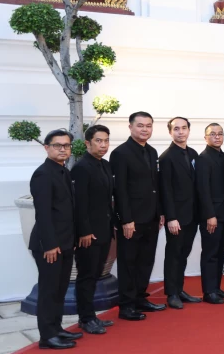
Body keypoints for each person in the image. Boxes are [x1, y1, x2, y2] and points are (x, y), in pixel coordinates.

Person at [110, 111, 165, 321]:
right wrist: (126, 219)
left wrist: (160, 212)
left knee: (146, 261)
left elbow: (155, 185)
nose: (145, 129)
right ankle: (126, 306)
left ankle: (140, 298)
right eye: (140, 125)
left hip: (151, 217)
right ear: (130, 127)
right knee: (128, 263)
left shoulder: (152, 151)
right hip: (131, 220)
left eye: (148, 126)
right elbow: (120, 190)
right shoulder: (120, 153)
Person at [30, 130, 81, 349]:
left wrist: (72, 239)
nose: (63, 149)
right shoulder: (43, 174)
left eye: (66, 146)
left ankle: (56, 328)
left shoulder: (63, 171)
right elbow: (43, 213)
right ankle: (47, 336)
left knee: (60, 289)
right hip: (49, 245)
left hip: (65, 242)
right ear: (46, 147)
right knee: (49, 290)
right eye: (57, 145)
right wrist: (50, 245)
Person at [71, 125, 116, 335]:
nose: (103, 145)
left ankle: (91, 315)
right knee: (86, 276)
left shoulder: (105, 165)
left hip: (104, 230)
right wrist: (84, 232)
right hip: (88, 234)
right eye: (99, 141)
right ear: (88, 143)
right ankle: (86, 318)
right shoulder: (81, 168)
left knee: (96, 274)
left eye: (106, 140)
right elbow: (79, 204)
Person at [158, 117, 202, 310]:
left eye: (184, 128)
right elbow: (165, 190)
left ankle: (180, 289)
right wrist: (171, 217)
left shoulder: (193, 153)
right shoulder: (166, 157)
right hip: (177, 216)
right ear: (170, 132)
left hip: (192, 214)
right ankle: (172, 293)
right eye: (176, 129)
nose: (181, 132)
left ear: (189, 131)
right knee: (174, 254)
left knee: (184, 254)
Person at [196, 123, 224, 304]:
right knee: (210, 254)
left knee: (219, 252)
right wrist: (210, 215)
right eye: (213, 134)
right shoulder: (203, 158)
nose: (217, 137)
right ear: (205, 138)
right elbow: (203, 190)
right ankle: (209, 292)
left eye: (220, 134)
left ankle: (216, 287)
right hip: (211, 216)